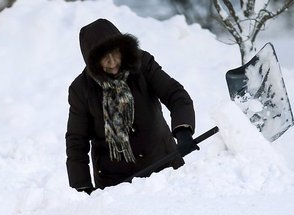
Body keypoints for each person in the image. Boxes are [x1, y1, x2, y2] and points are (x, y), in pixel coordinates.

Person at [65, 18, 197, 194]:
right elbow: (76, 140)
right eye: (104, 58)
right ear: (92, 62)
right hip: (116, 184)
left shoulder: (142, 64)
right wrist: (81, 185)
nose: (112, 63)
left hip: (164, 168)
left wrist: (183, 131)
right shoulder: (81, 90)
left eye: (115, 53)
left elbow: (175, 95)